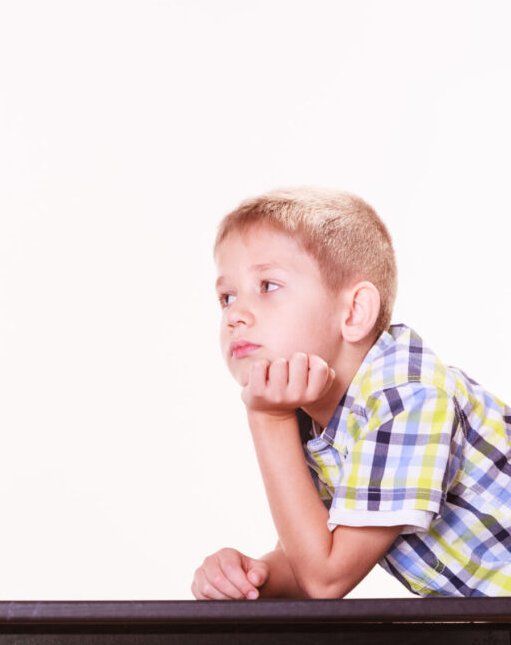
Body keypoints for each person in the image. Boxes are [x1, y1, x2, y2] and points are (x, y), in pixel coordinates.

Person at [192, 187, 511, 600]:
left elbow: (326, 578)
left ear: (354, 312)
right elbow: (306, 559)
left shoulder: (408, 398)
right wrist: (250, 575)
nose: (235, 314)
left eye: (267, 285)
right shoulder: (315, 421)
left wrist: (267, 420)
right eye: (227, 297)